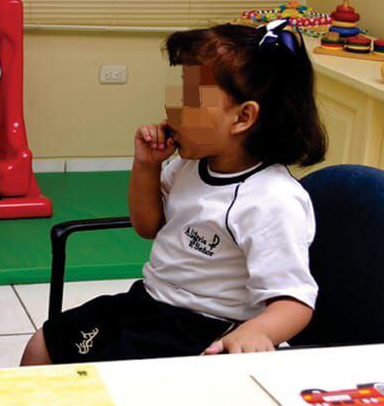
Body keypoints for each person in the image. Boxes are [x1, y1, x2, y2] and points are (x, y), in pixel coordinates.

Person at [22, 20, 327, 365]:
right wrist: (146, 166)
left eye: (191, 100)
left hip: (205, 327)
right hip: (149, 303)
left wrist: (257, 331)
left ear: (243, 117)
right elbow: (147, 225)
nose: (172, 110)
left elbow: (295, 301)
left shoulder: (273, 200)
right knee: (43, 346)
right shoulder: (190, 164)